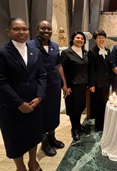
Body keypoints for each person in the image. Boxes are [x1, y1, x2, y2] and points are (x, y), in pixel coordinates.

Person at [0, 18, 46, 171]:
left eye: (24, 29)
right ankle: (20, 167)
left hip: (34, 104)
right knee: (14, 139)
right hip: (12, 107)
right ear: (9, 32)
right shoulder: (3, 52)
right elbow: (1, 81)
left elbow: (42, 75)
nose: (21, 32)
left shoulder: (35, 51)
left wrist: (39, 97)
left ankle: (33, 161)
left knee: (33, 135)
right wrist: (19, 103)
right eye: (17, 29)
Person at [28, 20, 67, 156]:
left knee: (53, 111)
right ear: (37, 29)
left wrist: (64, 84)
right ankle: (44, 142)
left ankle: (52, 137)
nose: (46, 31)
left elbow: (59, 66)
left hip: (54, 84)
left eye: (49, 29)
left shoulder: (55, 46)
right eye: (43, 29)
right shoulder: (30, 46)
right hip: (39, 86)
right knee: (42, 114)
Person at [61, 31, 88, 141]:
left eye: (82, 38)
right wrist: (65, 86)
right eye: (78, 38)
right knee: (73, 108)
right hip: (72, 86)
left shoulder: (85, 53)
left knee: (81, 106)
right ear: (72, 39)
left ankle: (78, 125)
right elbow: (63, 71)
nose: (80, 40)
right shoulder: (66, 53)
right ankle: (74, 129)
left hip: (83, 85)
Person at [88, 29, 110, 131]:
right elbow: (91, 69)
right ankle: (98, 125)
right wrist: (91, 84)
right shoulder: (92, 52)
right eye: (99, 38)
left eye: (102, 37)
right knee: (97, 103)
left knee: (105, 102)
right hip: (97, 82)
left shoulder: (108, 51)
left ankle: (105, 122)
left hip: (106, 82)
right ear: (95, 39)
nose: (101, 39)